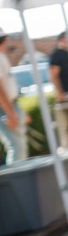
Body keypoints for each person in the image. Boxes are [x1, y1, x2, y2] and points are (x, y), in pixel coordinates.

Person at [0, 30, 27, 163]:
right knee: (17, 147)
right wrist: (10, 112)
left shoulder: (2, 57)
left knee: (19, 146)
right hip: (4, 108)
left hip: (9, 106)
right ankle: (17, 182)